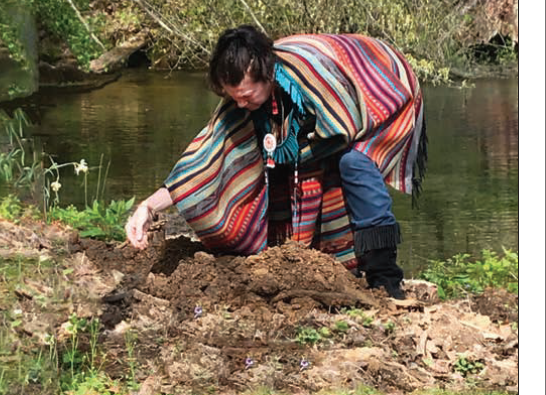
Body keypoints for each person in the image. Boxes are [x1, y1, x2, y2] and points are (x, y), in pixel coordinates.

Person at [125, 26, 427, 298]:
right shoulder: (243, 99)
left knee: (353, 164)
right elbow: (202, 161)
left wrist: (295, 153)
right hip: (323, 122)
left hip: (379, 93)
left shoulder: (312, 78)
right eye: (234, 98)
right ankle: (317, 263)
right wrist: (148, 207)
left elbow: (339, 127)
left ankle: (384, 275)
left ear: (267, 75)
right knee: (273, 166)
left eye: (245, 96)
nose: (240, 104)